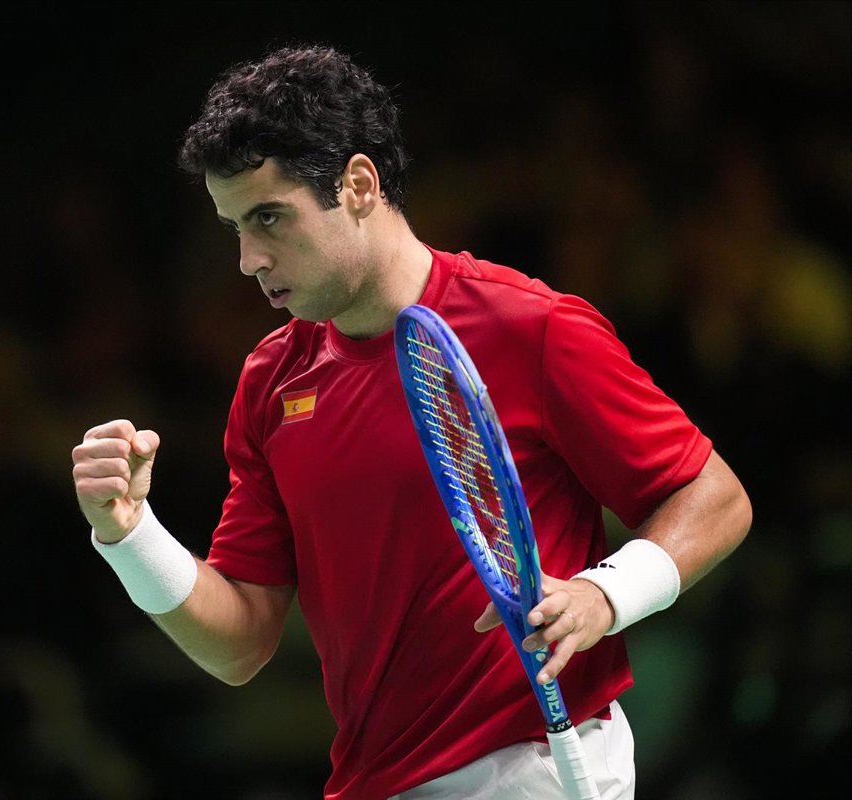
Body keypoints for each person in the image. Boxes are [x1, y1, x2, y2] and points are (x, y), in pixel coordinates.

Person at [71, 43, 752, 800]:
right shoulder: (273, 381)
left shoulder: (529, 327)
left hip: (535, 768)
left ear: (359, 185)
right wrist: (129, 536)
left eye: (269, 217)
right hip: (378, 783)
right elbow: (239, 645)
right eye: (235, 227)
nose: (248, 259)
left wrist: (606, 594)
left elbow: (715, 497)